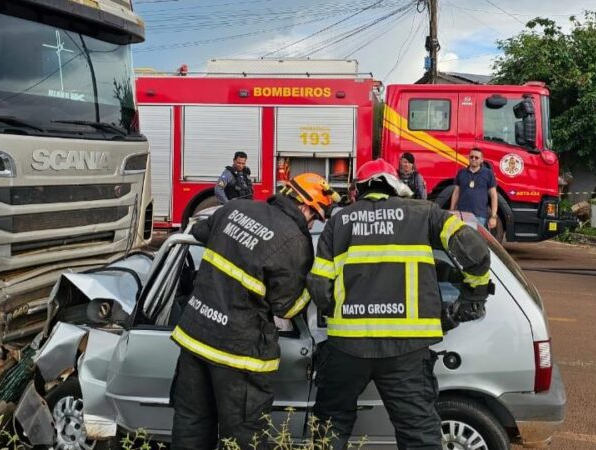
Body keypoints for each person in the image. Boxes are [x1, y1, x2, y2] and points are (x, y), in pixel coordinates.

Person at [307, 158, 492, 450]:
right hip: (406, 350)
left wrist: (338, 313)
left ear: (359, 190)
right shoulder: (425, 214)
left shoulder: (339, 222)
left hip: (347, 347)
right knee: (417, 433)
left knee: (331, 426)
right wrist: (473, 297)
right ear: (396, 187)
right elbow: (474, 250)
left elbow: (319, 286)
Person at [171, 173, 340, 450]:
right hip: (240, 354)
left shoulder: (237, 207)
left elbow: (200, 233)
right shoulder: (296, 243)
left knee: (191, 426)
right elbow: (288, 307)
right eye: (315, 217)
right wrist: (314, 281)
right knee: (243, 438)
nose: (312, 225)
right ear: (306, 206)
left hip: (196, 337)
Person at [450, 148, 498, 229]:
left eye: (476, 157)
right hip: (462, 215)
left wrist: (493, 217)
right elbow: (456, 192)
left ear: (482, 160)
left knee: (476, 240)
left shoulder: (488, 173)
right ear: (468, 158)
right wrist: (451, 210)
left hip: (479, 216)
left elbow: (494, 195)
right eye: (471, 157)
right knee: (462, 239)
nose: (473, 159)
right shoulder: (461, 172)